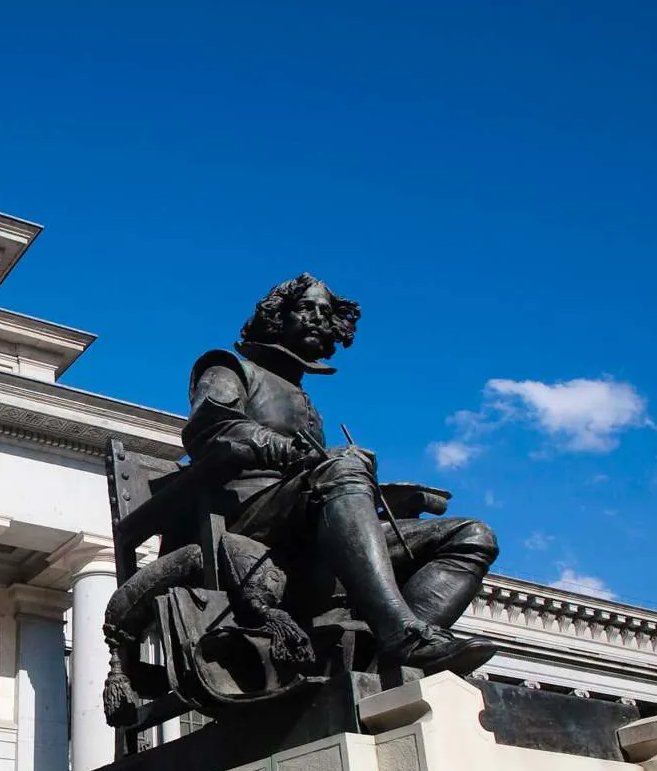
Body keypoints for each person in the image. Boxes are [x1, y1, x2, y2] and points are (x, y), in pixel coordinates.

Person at [183, 275, 500, 674]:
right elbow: (211, 427)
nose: (318, 319)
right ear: (277, 317)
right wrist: (292, 450)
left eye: (326, 313)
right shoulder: (230, 368)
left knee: (472, 535)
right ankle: (400, 633)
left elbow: (324, 483)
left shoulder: (305, 400)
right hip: (249, 519)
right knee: (344, 465)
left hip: (308, 522)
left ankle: (392, 651)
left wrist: (388, 496)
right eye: (306, 308)